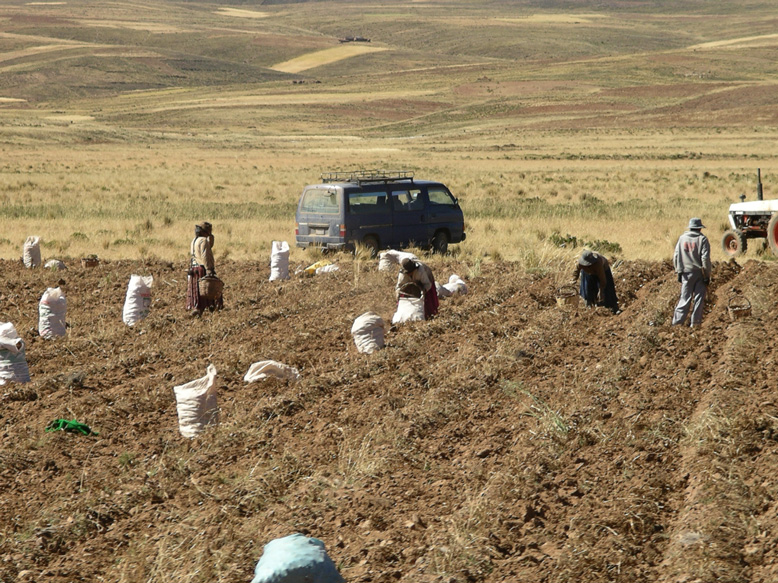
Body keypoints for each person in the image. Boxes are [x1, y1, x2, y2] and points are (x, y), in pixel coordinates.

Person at [672, 217, 711, 327]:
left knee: (685, 298)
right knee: (698, 299)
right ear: (699, 229)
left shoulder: (682, 238)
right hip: (699, 273)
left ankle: (677, 323)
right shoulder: (702, 239)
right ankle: (695, 323)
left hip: (685, 272)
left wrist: (678, 271)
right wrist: (707, 275)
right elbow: (705, 259)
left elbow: (676, 256)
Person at [187, 222, 223, 314]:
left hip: (194, 267)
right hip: (201, 267)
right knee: (207, 290)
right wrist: (209, 269)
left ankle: (196, 307)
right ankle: (209, 307)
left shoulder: (194, 240)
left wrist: (210, 241)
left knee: (197, 290)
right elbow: (205, 255)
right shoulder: (203, 241)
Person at [573, 249, 619, 314]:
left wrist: (601, 291)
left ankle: (613, 307)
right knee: (587, 288)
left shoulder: (598, 263)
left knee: (607, 289)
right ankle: (589, 305)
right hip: (587, 273)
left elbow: (602, 279)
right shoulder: (580, 263)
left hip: (603, 270)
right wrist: (573, 280)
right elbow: (576, 271)